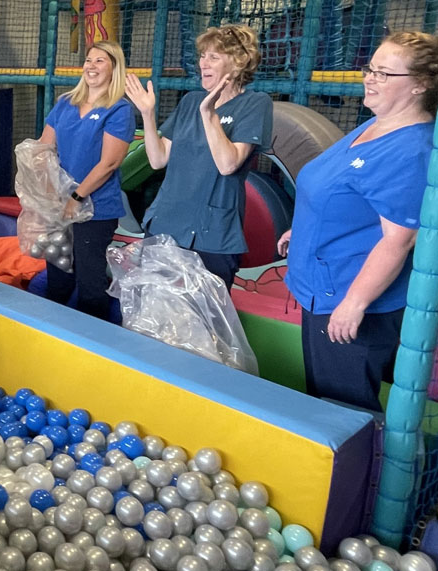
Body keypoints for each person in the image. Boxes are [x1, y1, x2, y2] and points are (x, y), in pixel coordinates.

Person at [278, 32, 438, 412]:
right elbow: (345, 194)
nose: (370, 78)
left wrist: (355, 302)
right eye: (371, 69)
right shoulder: (376, 124)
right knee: (321, 393)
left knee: (343, 408)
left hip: (347, 300)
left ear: (420, 86)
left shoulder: (409, 148)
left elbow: (398, 239)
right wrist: (303, 228)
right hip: (322, 284)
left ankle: (366, 470)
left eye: (384, 74)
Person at [125, 24, 273, 288]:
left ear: (237, 64)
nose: (203, 63)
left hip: (212, 235)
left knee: (205, 321)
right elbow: (158, 159)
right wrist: (148, 114)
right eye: (203, 56)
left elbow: (228, 164)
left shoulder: (255, 103)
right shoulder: (191, 101)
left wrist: (210, 115)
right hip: (165, 224)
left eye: (213, 57)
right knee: (153, 313)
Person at [39, 41, 135, 321]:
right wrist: (44, 191)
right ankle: (53, 334)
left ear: (114, 68)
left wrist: (76, 197)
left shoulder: (119, 109)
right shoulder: (66, 103)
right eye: (88, 60)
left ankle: (95, 346)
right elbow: (45, 149)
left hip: (95, 209)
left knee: (89, 281)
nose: (91, 66)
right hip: (59, 204)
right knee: (57, 276)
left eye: (100, 61)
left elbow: (109, 163)